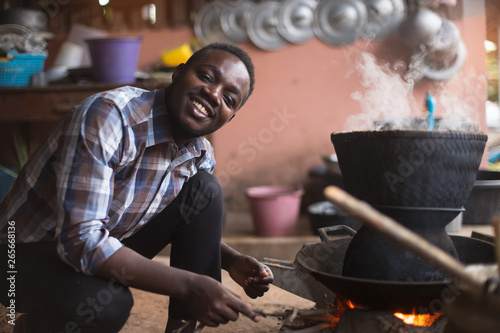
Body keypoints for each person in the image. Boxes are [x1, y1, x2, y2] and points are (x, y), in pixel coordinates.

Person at [0, 42, 274, 333]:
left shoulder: (200, 153)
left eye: (230, 99)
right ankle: (35, 326)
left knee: (205, 191)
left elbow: (185, 225)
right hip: (18, 257)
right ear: (178, 74)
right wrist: (189, 285)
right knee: (106, 304)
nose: (213, 94)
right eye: (206, 77)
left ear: (229, 117)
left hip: (96, 243)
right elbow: (80, 240)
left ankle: (181, 329)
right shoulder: (109, 115)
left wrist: (230, 260)